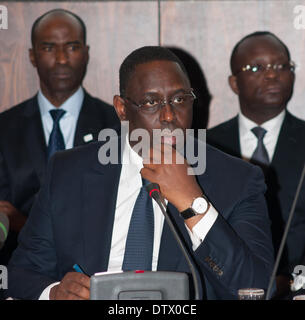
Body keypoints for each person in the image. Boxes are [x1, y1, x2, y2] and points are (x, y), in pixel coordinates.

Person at [6, 46, 274, 300]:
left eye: (180, 99)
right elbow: (20, 273)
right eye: (151, 102)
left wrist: (193, 204)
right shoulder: (69, 172)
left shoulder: (237, 179)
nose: (169, 115)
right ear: (122, 109)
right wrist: (54, 292)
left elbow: (257, 287)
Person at [0, 9, 119, 265]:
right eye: (49, 47)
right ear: (32, 56)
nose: (62, 59)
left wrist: (23, 220)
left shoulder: (116, 126)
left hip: (96, 272)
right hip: (18, 270)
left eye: (72, 47)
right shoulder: (4, 128)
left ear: (86, 53)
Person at [207, 31, 305, 298]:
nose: (272, 74)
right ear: (234, 83)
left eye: (281, 66)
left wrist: (291, 281)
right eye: (257, 67)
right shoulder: (205, 147)